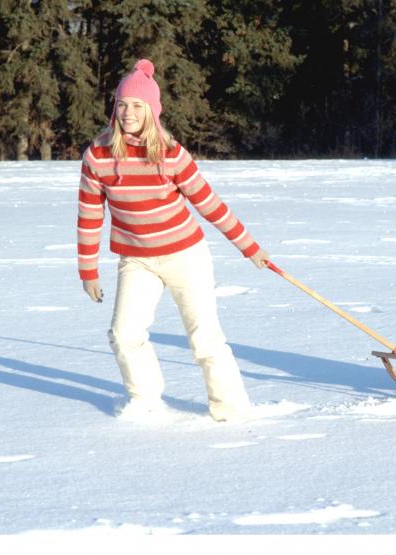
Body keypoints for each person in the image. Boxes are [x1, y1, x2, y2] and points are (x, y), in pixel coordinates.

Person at [76, 59, 270, 422]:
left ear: (152, 110)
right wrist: (88, 270)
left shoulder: (170, 153)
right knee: (124, 334)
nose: (127, 112)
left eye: (137, 105)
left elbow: (209, 203)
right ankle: (145, 401)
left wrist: (250, 248)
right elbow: (89, 216)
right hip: (136, 260)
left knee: (204, 339)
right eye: (122, 104)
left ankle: (232, 410)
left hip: (185, 255)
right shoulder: (98, 155)